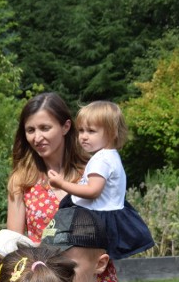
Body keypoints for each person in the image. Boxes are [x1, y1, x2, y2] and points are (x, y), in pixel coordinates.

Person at [7, 92, 120, 282]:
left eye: (45, 128)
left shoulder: (92, 173)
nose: (37, 137)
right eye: (30, 130)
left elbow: (112, 220)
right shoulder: (22, 180)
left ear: (66, 127)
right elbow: (14, 242)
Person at [48, 101, 154, 261]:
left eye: (91, 131)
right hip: (100, 215)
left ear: (111, 133)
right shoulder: (110, 155)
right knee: (93, 262)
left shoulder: (102, 160)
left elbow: (92, 191)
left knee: (78, 259)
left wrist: (62, 184)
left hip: (93, 221)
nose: (83, 136)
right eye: (81, 130)